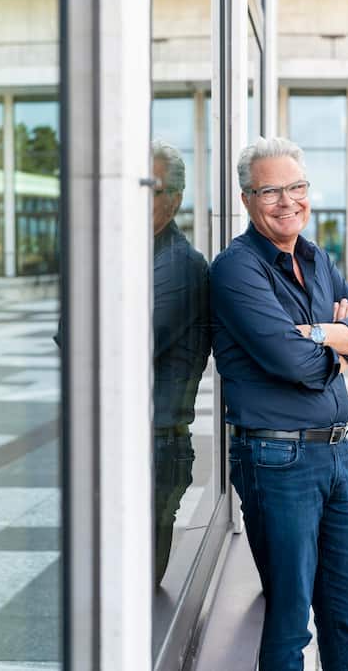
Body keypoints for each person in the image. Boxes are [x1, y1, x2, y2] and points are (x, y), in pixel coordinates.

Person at [210, 137, 348, 670]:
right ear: (246, 199)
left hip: (335, 456)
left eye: (297, 187)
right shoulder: (236, 269)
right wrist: (339, 347)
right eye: (271, 191)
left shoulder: (317, 257)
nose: (288, 201)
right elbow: (295, 364)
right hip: (276, 461)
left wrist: (322, 332)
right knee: (288, 623)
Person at [152, 140, 210, 587]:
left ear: (172, 200)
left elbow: (116, 350)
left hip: (156, 448)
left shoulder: (179, 267)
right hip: (125, 442)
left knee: (134, 594)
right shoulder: (131, 259)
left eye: (146, 190)